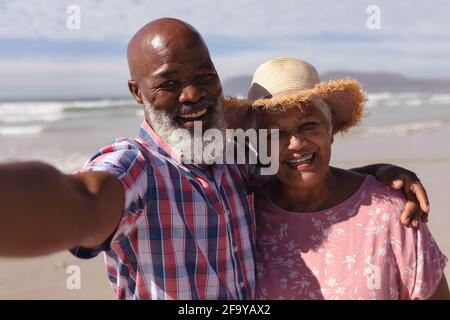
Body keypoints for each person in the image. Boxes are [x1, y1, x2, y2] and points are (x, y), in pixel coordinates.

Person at [0, 19, 431, 300]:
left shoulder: (235, 164)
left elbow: (300, 178)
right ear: (137, 93)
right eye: (169, 82)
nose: (192, 94)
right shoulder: (138, 168)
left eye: (204, 77)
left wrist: (373, 178)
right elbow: (82, 198)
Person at [238, 57, 449, 299]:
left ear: (331, 129)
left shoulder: (391, 212)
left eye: (308, 125)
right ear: (258, 145)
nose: (295, 143)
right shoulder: (246, 216)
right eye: (275, 133)